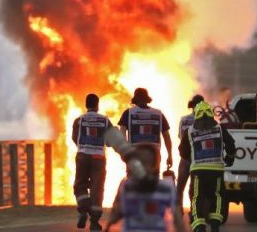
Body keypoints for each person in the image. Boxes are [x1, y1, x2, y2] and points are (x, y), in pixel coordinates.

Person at [179, 101, 236, 232]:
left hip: (198, 171)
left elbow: (182, 152)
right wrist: (230, 158)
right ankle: (215, 225)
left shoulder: (189, 131)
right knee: (217, 196)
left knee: (197, 196)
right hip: (216, 170)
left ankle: (199, 225)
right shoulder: (220, 128)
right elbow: (231, 144)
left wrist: (192, 159)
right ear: (211, 114)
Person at [104, 143, 186, 232]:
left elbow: (178, 222)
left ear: (155, 165)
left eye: (147, 163)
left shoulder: (166, 188)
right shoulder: (126, 187)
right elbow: (114, 216)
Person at [72, 94, 113, 231]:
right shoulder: (105, 121)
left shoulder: (78, 120)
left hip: (82, 156)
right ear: (97, 105)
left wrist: (85, 147)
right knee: (97, 189)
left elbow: (75, 139)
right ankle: (94, 222)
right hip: (98, 158)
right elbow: (110, 142)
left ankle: (83, 210)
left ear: (86, 105)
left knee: (80, 185)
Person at [118, 88, 173, 170]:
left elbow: (121, 135)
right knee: (152, 181)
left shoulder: (128, 113)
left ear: (135, 100)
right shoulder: (158, 113)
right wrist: (169, 155)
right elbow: (167, 137)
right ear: (147, 99)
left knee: (134, 180)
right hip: (154, 155)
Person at [177, 94, 204, 211]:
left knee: (180, 186)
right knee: (195, 187)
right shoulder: (207, 121)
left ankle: (178, 210)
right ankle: (194, 211)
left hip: (185, 157)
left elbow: (180, 136)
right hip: (200, 158)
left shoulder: (184, 120)